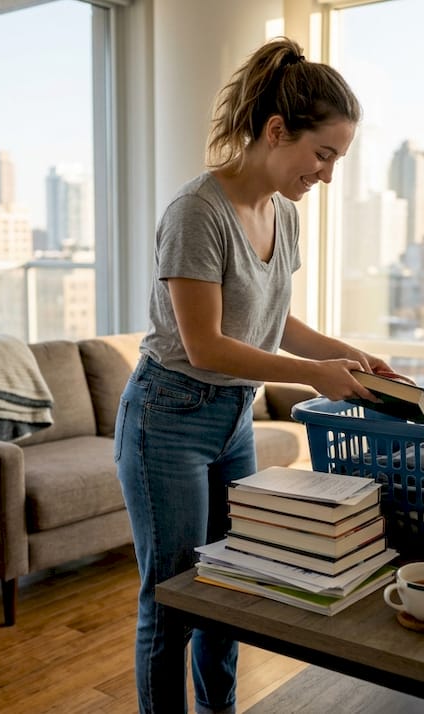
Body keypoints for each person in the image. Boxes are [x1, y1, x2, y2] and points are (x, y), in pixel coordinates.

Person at [114, 37, 408, 714]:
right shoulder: (197, 213)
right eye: (323, 154)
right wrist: (314, 376)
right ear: (277, 132)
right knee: (174, 599)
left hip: (232, 420)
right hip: (168, 420)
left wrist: (349, 356)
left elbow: (273, 319)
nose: (328, 174)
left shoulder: (285, 215)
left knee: (229, 590)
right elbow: (207, 344)